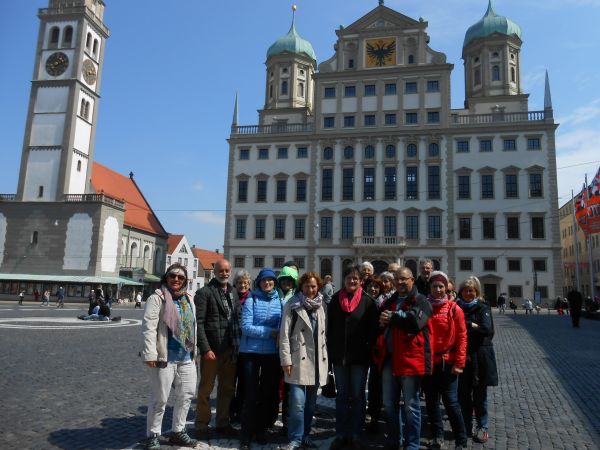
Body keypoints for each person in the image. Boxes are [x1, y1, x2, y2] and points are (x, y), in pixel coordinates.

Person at [375, 267, 433, 450]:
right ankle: (394, 440)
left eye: (403, 279)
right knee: (389, 404)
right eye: (397, 279)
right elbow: (379, 323)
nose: (399, 282)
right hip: (389, 359)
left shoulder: (422, 301)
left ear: (412, 280)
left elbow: (415, 322)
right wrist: (382, 322)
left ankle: (412, 445)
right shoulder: (389, 301)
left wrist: (393, 317)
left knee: (411, 406)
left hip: (410, 360)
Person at [142, 263, 198, 450]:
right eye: (172, 276)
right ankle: (153, 435)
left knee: (186, 395)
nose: (176, 279)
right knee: (160, 399)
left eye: (180, 277)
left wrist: (195, 351)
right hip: (164, 356)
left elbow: (194, 326)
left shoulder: (189, 298)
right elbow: (149, 327)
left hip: (186, 356)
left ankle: (178, 431)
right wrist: (150, 353)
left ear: (185, 281)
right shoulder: (157, 298)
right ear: (166, 277)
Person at [327, 265, 378, 450]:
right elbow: (329, 328)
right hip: (339, 357)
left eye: (355, 278)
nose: (352, 280)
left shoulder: (368, 302)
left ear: (361, 281)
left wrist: (366, 348)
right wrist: (331, 351)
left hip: (359, 359)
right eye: (349, 277)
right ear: (344, 279)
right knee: (342, 396)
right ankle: (341, 433)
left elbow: (374, 331)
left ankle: (356, 433)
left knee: (357, 396)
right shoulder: (334, 300)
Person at [279, 272, 328, 450]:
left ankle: (305, 435)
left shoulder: (321, 305)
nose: (310, 289)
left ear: (318, 287)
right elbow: (284, 335)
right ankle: (295, 438)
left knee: (311, 404)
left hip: (317, 360)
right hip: (298, 359)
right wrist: (286, 360)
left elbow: (324, 335)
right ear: (301, 287)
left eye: (314, 286)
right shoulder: (292, 304)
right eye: (307, 286)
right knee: (297, 403)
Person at [422, 271, 468, 450]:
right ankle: (437, 436)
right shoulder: (424, 307)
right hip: (428, 363)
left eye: (441, 286)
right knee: (432, 403)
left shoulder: (454, 309)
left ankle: (461, 440)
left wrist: (459, 363)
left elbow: (462, 337)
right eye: (434, 286)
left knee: (451, 403)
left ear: (446, 288)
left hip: (447, 362)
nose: (438, 289)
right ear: (430, 288)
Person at [195, 259, 240, 438]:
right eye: (221, 270)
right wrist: (205, 349)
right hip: (212, 350)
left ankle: (223, 422)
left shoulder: (233, 291)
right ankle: (201, 425)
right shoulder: (204, 293)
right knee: (206, 389)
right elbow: (199, 323)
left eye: (227, 270)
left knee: (227, 389)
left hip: (229, 349)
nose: (224, 273)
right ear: (214, 272)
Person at [239, 268, 282, 450]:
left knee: (266, 394)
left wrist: (276, 333)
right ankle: (246, 434)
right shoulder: (251, 299)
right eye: (264, 280)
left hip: (271, 354)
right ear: (259, 282)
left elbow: (282, 327)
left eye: (270, 280)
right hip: (251, 352)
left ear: (274, 282)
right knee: (250, 395)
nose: (267, 283)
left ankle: (261, 430)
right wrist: (270, 332)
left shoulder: (280, 301)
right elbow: (246, 327)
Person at [457, 276, 498, 444]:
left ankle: (483, 426)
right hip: (462, 355)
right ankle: (466, 425)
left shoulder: (483, 307)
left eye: (471, 291)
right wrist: (474, 326)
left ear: (477, 292)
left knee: (480, 395)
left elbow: (486, 329)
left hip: (480, 356)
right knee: (463, 394)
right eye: (465, 291)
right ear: (461, 292)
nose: (468, 293)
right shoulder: (456, 306)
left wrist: (466, 325)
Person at [366, 272, 395, 434]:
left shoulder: (392, 301)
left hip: (387, 347)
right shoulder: (371, 301)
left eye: (387, 281)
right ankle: (374, 415)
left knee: (387, 384)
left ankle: (386, 417)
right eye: (381, 281)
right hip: (374, 347)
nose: (384, 283)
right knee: (374, 383)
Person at [230, 270, 252, 424]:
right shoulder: (230, 297)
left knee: (245, 382)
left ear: (249, 284)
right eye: (239, 282)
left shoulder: (253, 298)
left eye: (245, 283)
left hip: (247, 347)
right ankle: (230, 411)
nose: (242, 285)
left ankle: (241, 411)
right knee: (230, 381)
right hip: (232, 345)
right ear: (235, 284)